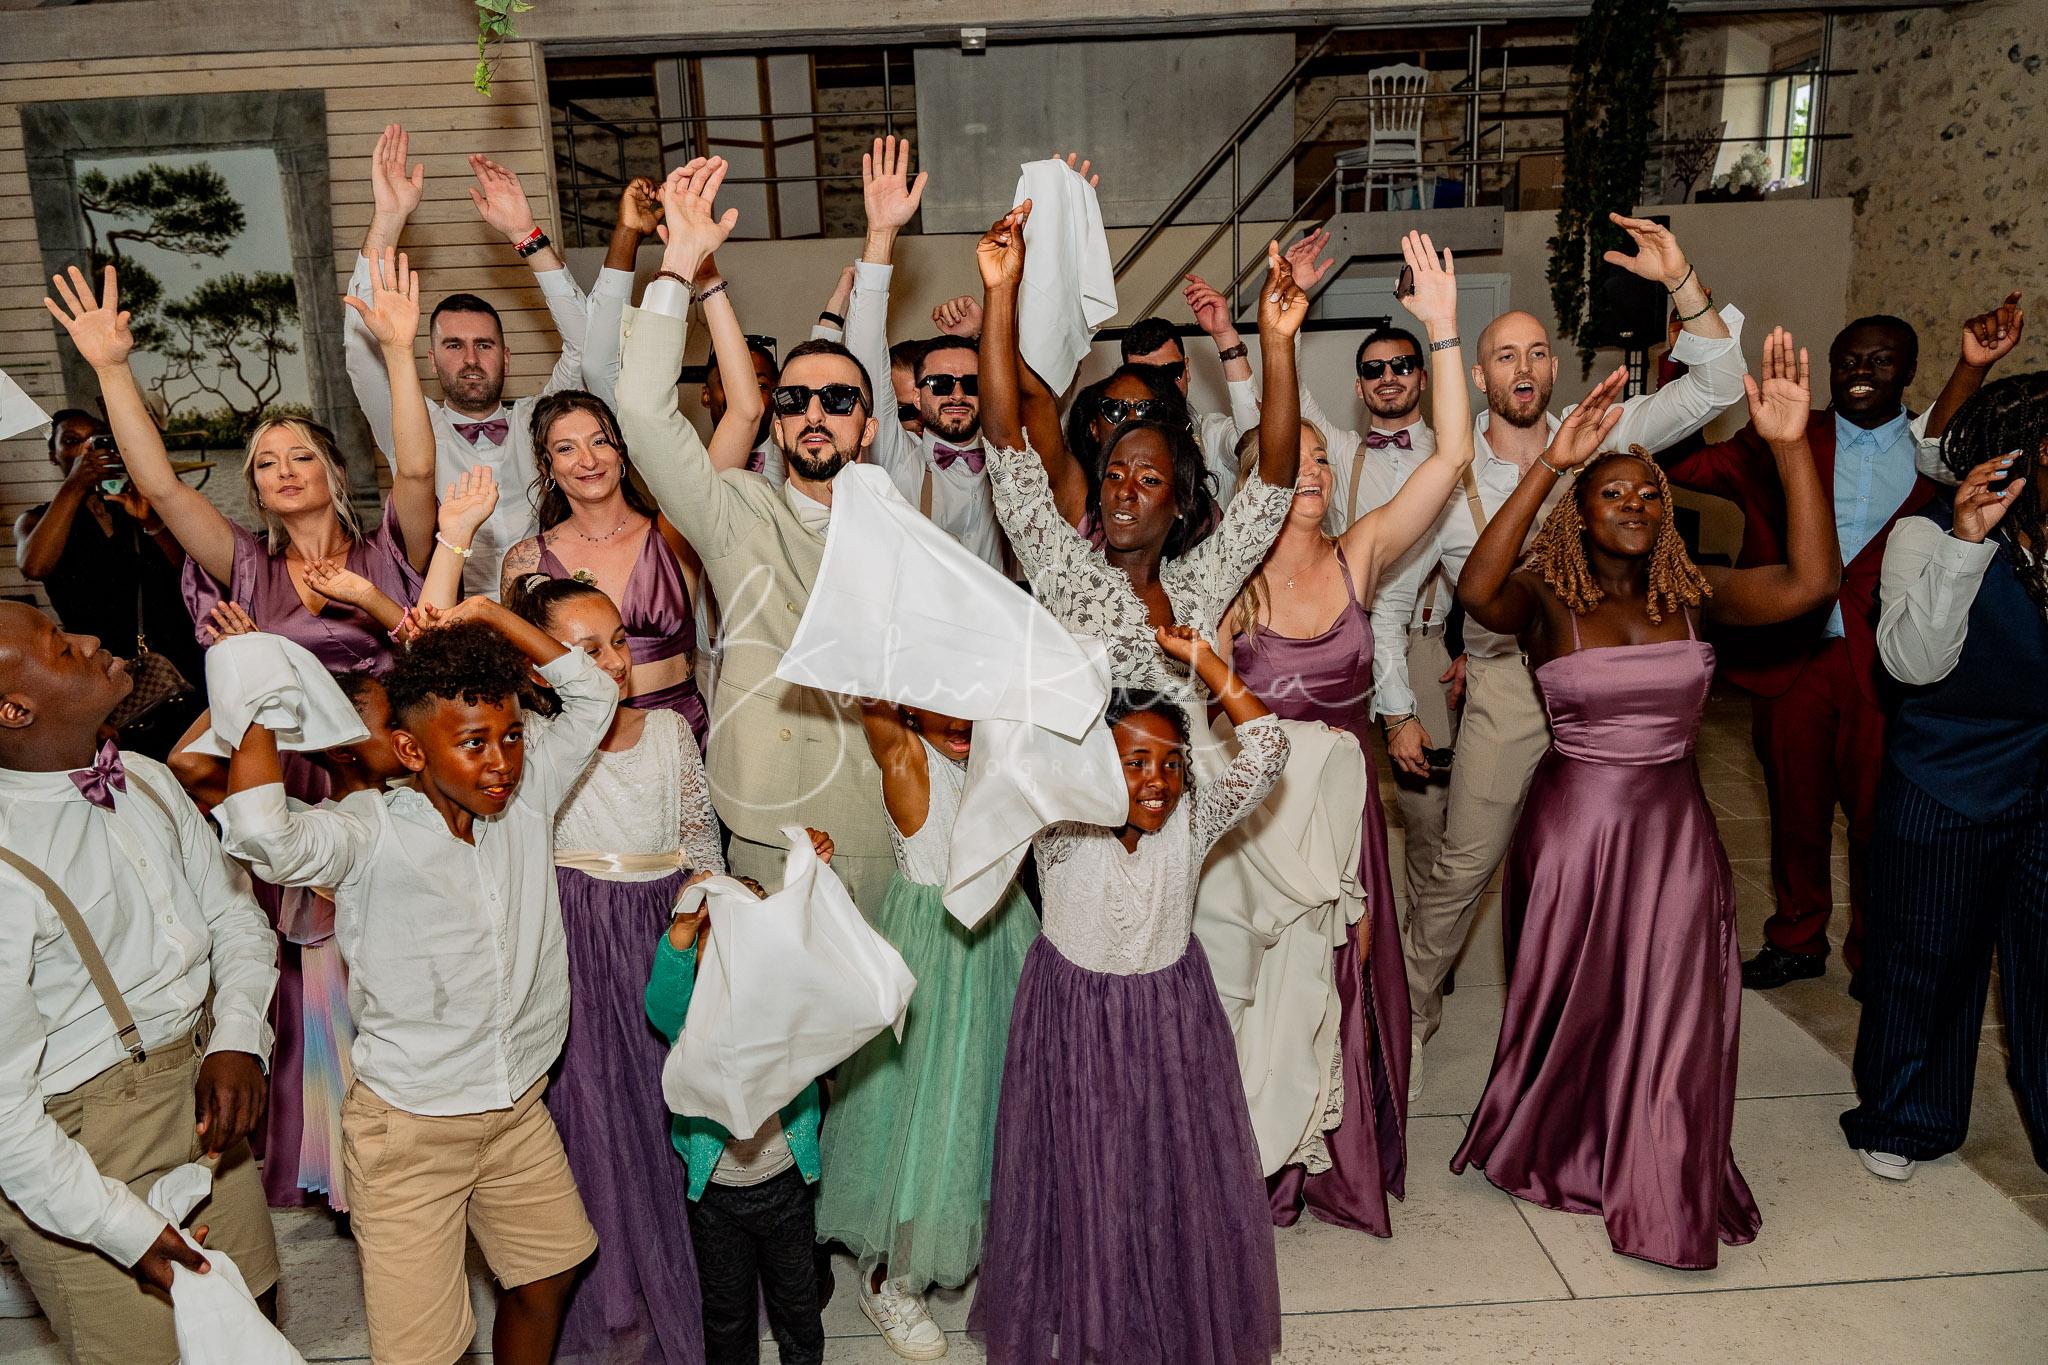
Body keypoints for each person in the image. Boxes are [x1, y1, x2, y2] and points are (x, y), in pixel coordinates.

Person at [1448, 331, 1841, 1269]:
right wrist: (1551, 465)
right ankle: (1559, 1136)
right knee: (1575, 1003)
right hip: (1572, 832)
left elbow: (1811, 582)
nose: (1632, 503)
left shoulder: (1694, 593)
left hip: (1674, 834)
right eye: (1611, 493)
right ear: (1579, 512)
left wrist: (1791, 450)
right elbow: (1475, 587)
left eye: (1648, 492)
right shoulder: (1545, 596)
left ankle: (1660, 1172)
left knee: (1673, 1007)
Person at [1376, 214, 1749, 1091]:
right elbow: (1391, 600)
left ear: (1553, 368)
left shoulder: (1603, 435)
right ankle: (1407, 1020)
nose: (1524, 367)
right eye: (1505, 355)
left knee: (1609, 872)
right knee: (1463, 867)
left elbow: (1717, 384)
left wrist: (1683, 281)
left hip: (1614, 690)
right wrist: (1396, 709)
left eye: (1538, 352)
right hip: (1508, 689)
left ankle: (1599, 1030)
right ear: (1479, 376)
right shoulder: (1447, 467)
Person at [215, 601, 616, 1365]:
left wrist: (491, 616)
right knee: (423, 1349)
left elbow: (593, 691)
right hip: (412, 1129)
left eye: (512, 735)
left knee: (549, 1268)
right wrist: (256, 699)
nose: (501, 762)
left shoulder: (529, 795)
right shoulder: (370, 828)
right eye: (472, 743)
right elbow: (265, 835)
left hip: (516, 1105)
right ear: (410, 747)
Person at [1218, 230, 1474, 1234]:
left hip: (1345, 814)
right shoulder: (1224, 585)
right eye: (1296, 460)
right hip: (1251, 826)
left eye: (1323, 458)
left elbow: (1451, 457)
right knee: (1262, 994)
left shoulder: (1359, 553)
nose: (1315, 470)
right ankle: (1252, 1163)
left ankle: (1334, 1165)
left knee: (1343, 982)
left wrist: (1441, 330)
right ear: (1256, 485)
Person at [1660, 296, 2028, 991]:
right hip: (1793, 660)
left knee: (1878, 819)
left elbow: (1963, 466)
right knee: (1794, 812)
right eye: (1849, 359)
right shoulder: (1782, 435)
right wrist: (1685, 369)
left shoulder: (1934, 454)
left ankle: (1873, 950)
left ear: (1908, 370)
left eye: (1881, 360)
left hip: (1885, 664)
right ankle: (1796, 937)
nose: (1862, 371)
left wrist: (1971, 368)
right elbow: (1680, 465)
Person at [970, 627, 1290, 1364]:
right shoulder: (1059, 826)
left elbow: (1268, 748)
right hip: (1074, 1022)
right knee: (1084, 1171)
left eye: (1172, 763)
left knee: (1162, 1169)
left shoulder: (1194, 820)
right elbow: (1012, 751)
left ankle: (1158, 1298)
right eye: (1135, 761)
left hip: (1169, 1021)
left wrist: (1207, 664)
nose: (1157, 781)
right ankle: (1087, 1304)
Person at [0, 601, 279, 1364]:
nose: (90, 639)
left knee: (255, 1322)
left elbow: (237, 918)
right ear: (14, 709)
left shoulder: (149, 778)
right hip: (77, 1150)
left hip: (198, 1096)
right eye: (61, 646)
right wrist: (124, 1230)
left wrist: (237, 1037)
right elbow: (6, 1119)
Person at [614, 156, 894, 914]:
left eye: (837, 400)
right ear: (776, 425)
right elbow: (643, 415)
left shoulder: (903, 532)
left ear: (868, 428)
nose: (813, 413)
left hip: (885, 814)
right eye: (794, 401)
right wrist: (679, 263)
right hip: (769, 818)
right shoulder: (736, 511)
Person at [1841, 373, 2048, 1184]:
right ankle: (1906, 1115)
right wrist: (1965, 544)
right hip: (1946, 780)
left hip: (2042, 784)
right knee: (1929, 958)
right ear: (2020, 453)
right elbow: (1912, 664)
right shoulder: (1923, 535)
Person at [511, 574, 722, 1363]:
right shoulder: (537, 744)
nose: (612, 661)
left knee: (672, 1110)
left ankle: (692, 1279)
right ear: (542, 667)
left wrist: (708, 917)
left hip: (664, 933)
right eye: (585, 649)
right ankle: (616, 1295)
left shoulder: (668, 731)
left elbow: (698, 840)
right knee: (596, 1118)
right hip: (580, 939)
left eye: (619, 641)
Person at [978, 205, 1304, 702]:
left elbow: (1274, 482)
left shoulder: (1202, 581)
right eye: (1114, 475)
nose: (1125, 492)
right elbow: (1005, 436)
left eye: (1149, 480)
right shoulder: (1062, 566)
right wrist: (1001, 291)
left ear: (1180, 503)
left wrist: (1276, 342)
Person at [815, 702, 1038, 1359]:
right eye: (942, 700)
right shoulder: (907, 756)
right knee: (923, 1114)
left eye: (972, 699)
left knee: (989, 1103)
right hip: (935, 956)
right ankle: (890, 1278)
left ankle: (983, 1235)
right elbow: (869, 690)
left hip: (1007, 939)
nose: (960, 718)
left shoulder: (1004, 756)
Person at [349, 124, 592, 596]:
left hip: (549, 612)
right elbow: (362, 348)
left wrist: (525, 235)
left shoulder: (541, 419)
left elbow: (588, 345)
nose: (471, 359)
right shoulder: (411, 427)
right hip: (448, 615)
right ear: (430, 359)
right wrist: (389, 219)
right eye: (453, 346)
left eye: (484, 344)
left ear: (507, 355)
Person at [649, 834, 837, 1365]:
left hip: (787, 1187)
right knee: (727, 1313)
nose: (731, 956)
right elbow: (662, 1003)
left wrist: (812, 884)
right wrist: (683, 932)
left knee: (797, 1305)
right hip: (718, 1196)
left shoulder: (785, 1006)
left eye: (746, 937)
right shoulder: (690, 1022)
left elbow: (817, 961)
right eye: (716, 941)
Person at [498, 391, 713, 749]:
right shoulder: (526, 560)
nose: (588, 460)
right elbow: (522, 677)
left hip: (680, 734)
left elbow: (745, 417)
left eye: (600, 441)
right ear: (546, 466)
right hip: (581, 744)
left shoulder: (674, 534)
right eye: (566, 448)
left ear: (621, 452)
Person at [843, 137, 1007, 570]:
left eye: (971, 383)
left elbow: (1042, 379)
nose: (957, 393)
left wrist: (986, 332)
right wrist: (881, 235)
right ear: (916, 394)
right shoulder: (899, 460)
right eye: (939, 383)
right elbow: (863, 357)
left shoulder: (1012, 462)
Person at [13, 410, 203, 758]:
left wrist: (151, 521)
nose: (89, 449)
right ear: (53, 454)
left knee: (198, 762)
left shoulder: (133, 504)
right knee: (138, 769)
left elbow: (185, 569)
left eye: (99, 440)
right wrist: (76, 483)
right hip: (103, 670)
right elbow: (35, 565)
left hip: (177, 661)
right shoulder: (38, 520)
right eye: (73, 441)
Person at [582, 177, 778, 480]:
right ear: (706, 395)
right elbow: (600, 371)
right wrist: (634, 237)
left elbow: (747, 412)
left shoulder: (799, 468)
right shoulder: (682, 471)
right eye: (728, 382)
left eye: (760, 385)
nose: (743, 390)